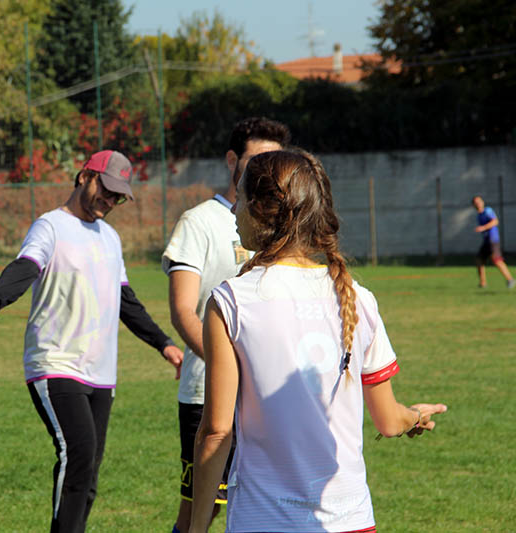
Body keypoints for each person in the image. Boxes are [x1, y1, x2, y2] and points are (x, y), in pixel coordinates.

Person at [190, 150, 447, 533]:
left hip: (263, 522)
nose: (233, 209)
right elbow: (389, 421)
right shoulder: (359, 298)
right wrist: (414, 415)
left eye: (239, 198)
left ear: (261, 209)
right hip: (352, 522)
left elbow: (216, 431)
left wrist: (196, 527)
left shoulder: (231, 301)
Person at [0, 149, 184, 533]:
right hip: (55, 362)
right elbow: (25, 268)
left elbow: (125, 300)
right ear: (84, 176)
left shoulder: (110, 237)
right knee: (77, 452)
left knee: (89, 471)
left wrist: (164, 343)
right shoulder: (50, 227)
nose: (109, 201)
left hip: (101, 372)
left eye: (117, 197)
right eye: (105, 190)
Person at [162, 117, 291, 533]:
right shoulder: (199, 222)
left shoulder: (283, 225)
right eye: (257, 160)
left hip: (269, 396)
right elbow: (184, 311)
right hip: (208, 395)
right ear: (232, 160)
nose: (266, 170)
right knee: (201, 512)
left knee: (268, 503)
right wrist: (231, 369)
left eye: (275, 161)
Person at [471, 195, 515, 289]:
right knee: (479, 259)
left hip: (493, 240)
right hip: (486, 241)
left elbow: (495, 221)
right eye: (476, 203)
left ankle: (510, 279)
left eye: (479, 202)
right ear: (473, 205)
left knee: (497, 260)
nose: (478, 204)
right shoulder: (479, 215)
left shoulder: (487, 211)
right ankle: (483, 283)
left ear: (483, 202)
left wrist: (483, 228)